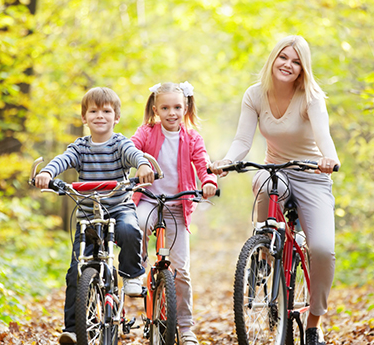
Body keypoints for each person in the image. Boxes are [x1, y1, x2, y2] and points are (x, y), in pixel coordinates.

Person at [210, 35, 340, 345]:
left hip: (311, 175)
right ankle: (264, 252)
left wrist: (329, 158)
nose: (288, 65)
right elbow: (243, 141)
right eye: (284, 58)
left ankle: (314, 322)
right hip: (276, 170)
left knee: (322, 250)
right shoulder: (255, 95)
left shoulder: (311, 97)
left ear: (302, 69)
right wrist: (228, 161)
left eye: (296, 62)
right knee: (265, 183)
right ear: (273, 59)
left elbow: (323, 135)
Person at [33, 87, 154, 344]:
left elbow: (134, 155)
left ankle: (132, 274)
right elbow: (62, 160)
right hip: (88, 217)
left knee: (131, 230)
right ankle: (73, 330)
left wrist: (142, 164)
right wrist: (47, 173)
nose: (100, 116)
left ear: (116, 117)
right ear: (84, 118)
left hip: (118, 209)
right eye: (94, 111)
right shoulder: (80, 147)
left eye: (107, 111)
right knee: (76, 273)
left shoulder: (120, 143)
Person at [131, 81, 218, 345]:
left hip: (177, 206)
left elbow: (202, 163)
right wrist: (141, 163)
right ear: (156, 109)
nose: (172, 112)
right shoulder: (147, 132)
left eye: (177, 107)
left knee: (181, 270)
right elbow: (131, 148)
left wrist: (209, 182)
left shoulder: (192, 138)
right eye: (166, 107)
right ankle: (136, 271)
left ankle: (186, 326)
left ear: (186, 107)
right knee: (137, 225)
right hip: (149, 199)